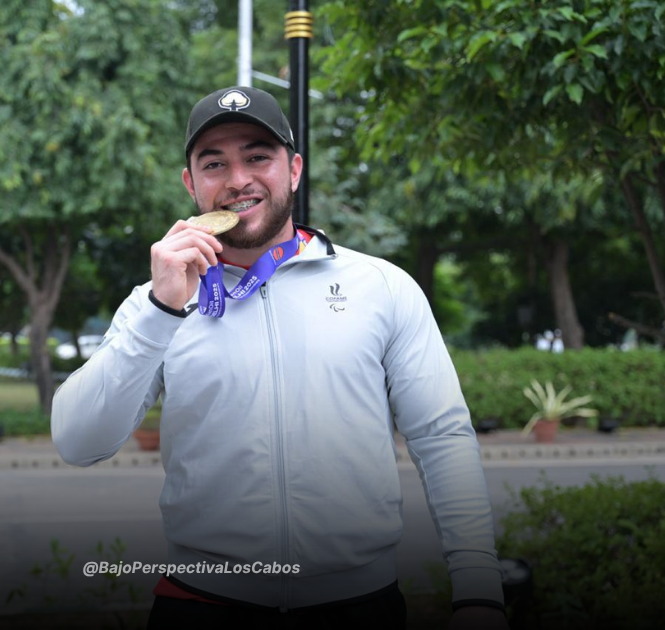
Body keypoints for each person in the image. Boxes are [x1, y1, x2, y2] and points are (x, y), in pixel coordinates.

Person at [52, 86, 509, 629]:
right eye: (214, 162)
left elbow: (441, 436)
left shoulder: (381, 286)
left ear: (293, 170)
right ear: (190, 183)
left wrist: (480, 592)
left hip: (359, 607)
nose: (237, 179)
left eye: (257, 156)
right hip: (200, 606)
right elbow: (78, 442)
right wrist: (160, 309)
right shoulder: (156, 301)